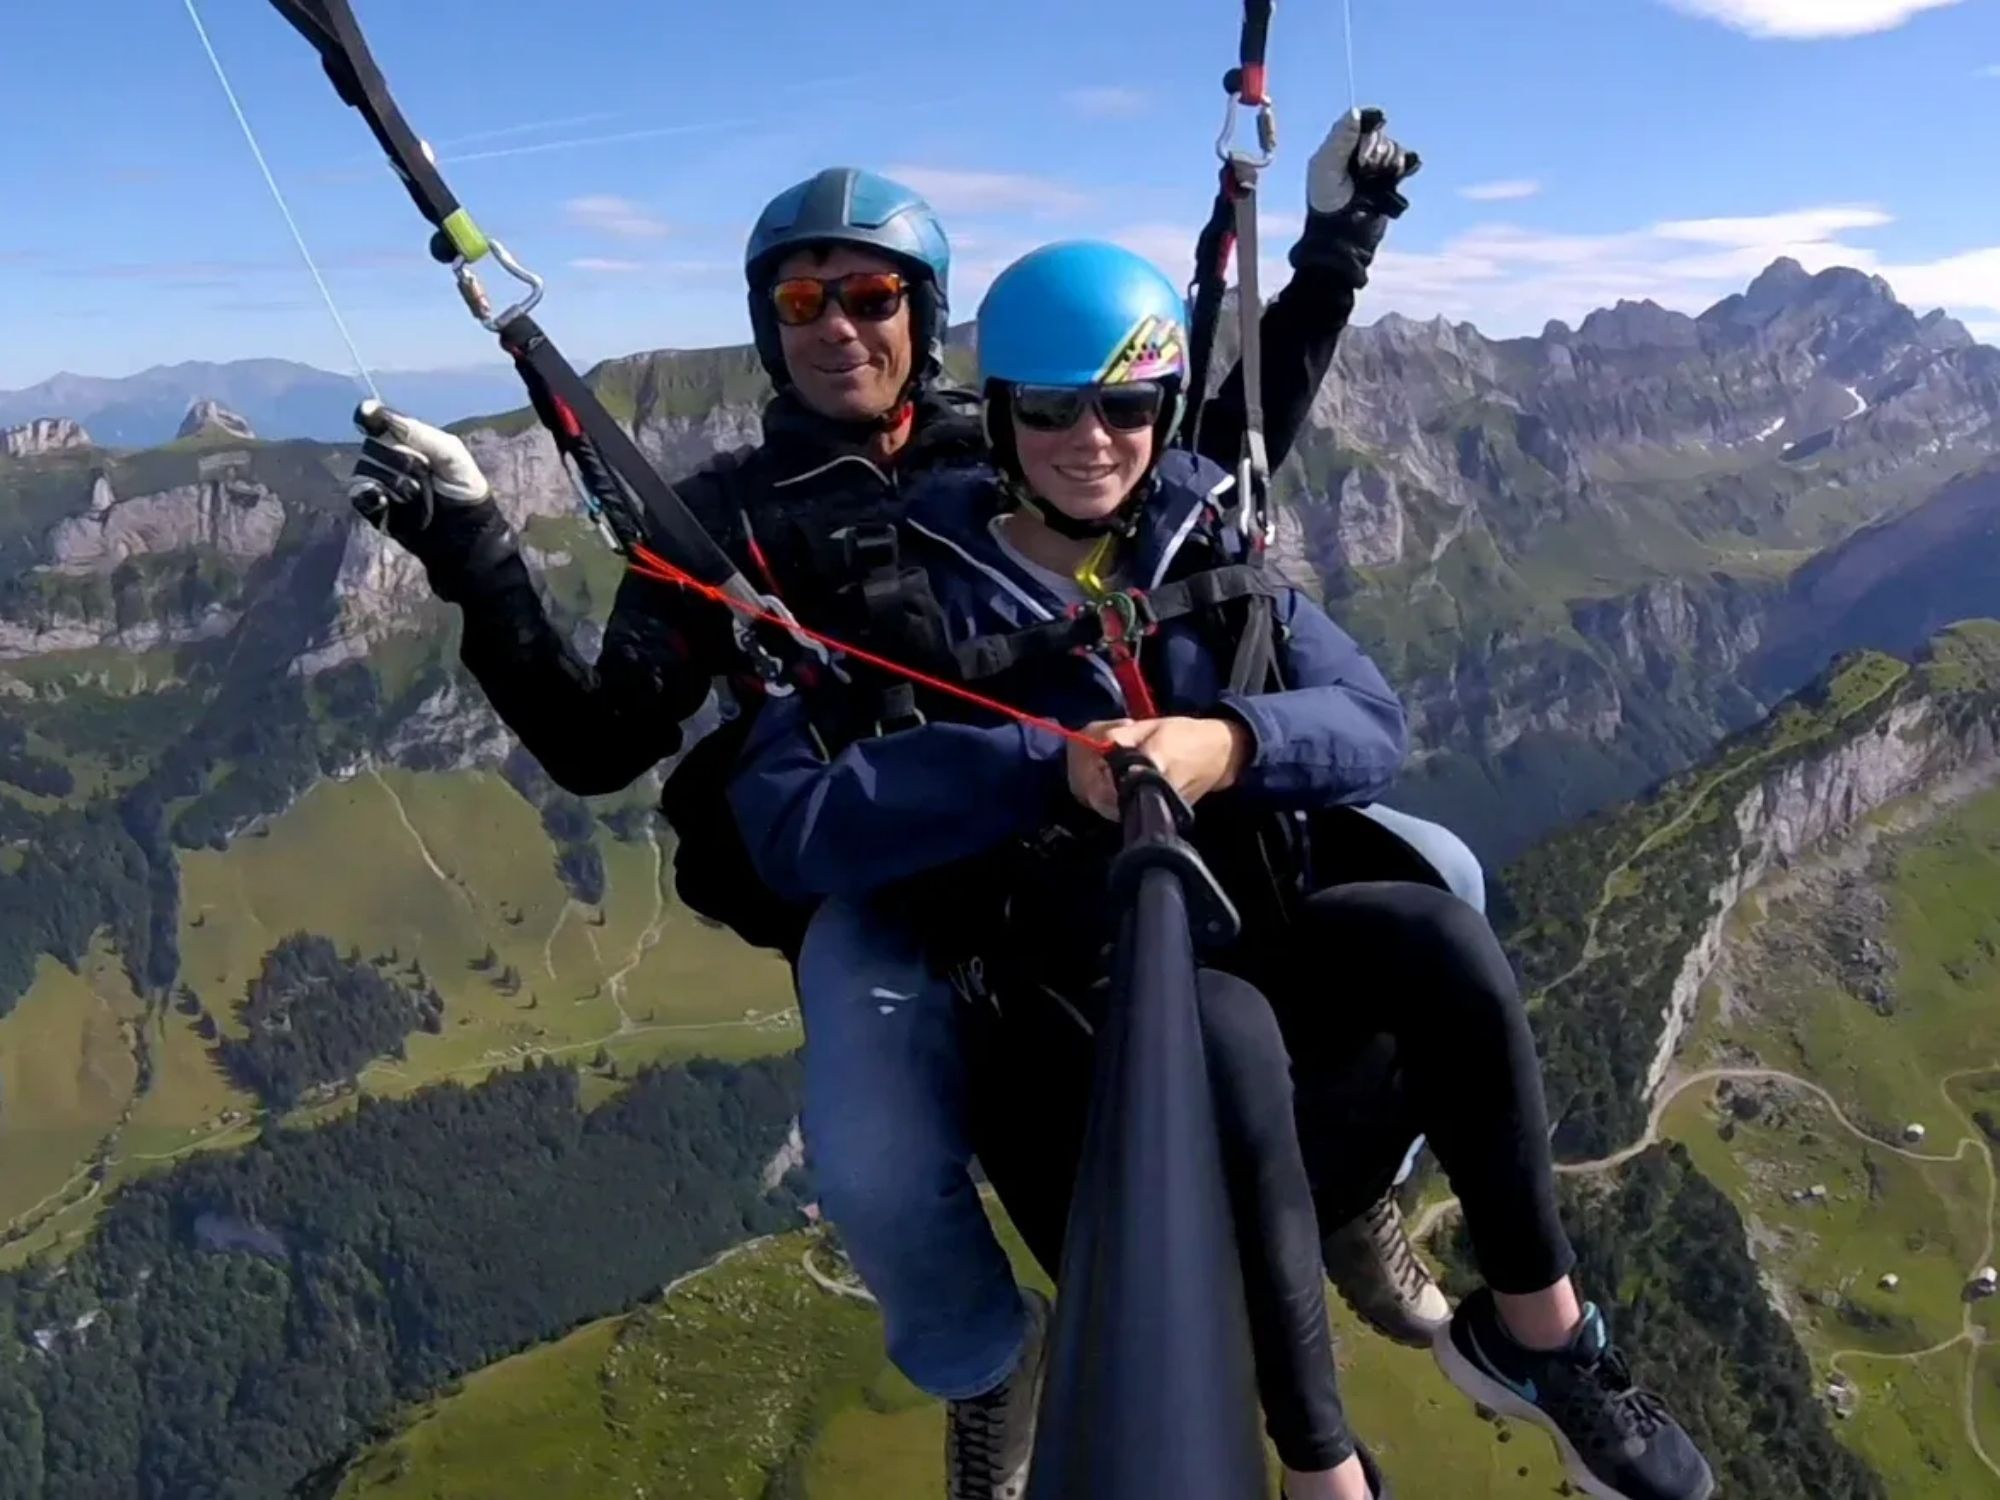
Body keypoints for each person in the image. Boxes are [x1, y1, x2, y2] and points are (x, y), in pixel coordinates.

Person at [347, 107, 1455, 1331]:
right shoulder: (720, 522)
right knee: (873, 1169)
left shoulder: (1005, 440)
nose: (839, 329)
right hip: (889, 869)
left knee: (1425, 882)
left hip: (1077, 814)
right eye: (802, 304)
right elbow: (603, 740)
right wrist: (475, 554)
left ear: (921, 314)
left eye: (870, 295)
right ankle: (982, 1364)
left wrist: (1336, 248)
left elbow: (1198, 458)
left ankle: (1351, 1196)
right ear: (768, 329)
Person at [727, 241, 1718, 1500]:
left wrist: (1234, 739)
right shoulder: (911, 596)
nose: (1093, 439)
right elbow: (797, 823)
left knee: (1441, 934)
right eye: (1050, 409)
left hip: (1246, 914)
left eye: (1127, 406)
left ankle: (1542, 1335)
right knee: (1230, 1030)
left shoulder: (1209, 548)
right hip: (1081, 993)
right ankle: (1320, 1468)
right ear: (999, 415)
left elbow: (1371, 722)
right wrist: (1042, 764)